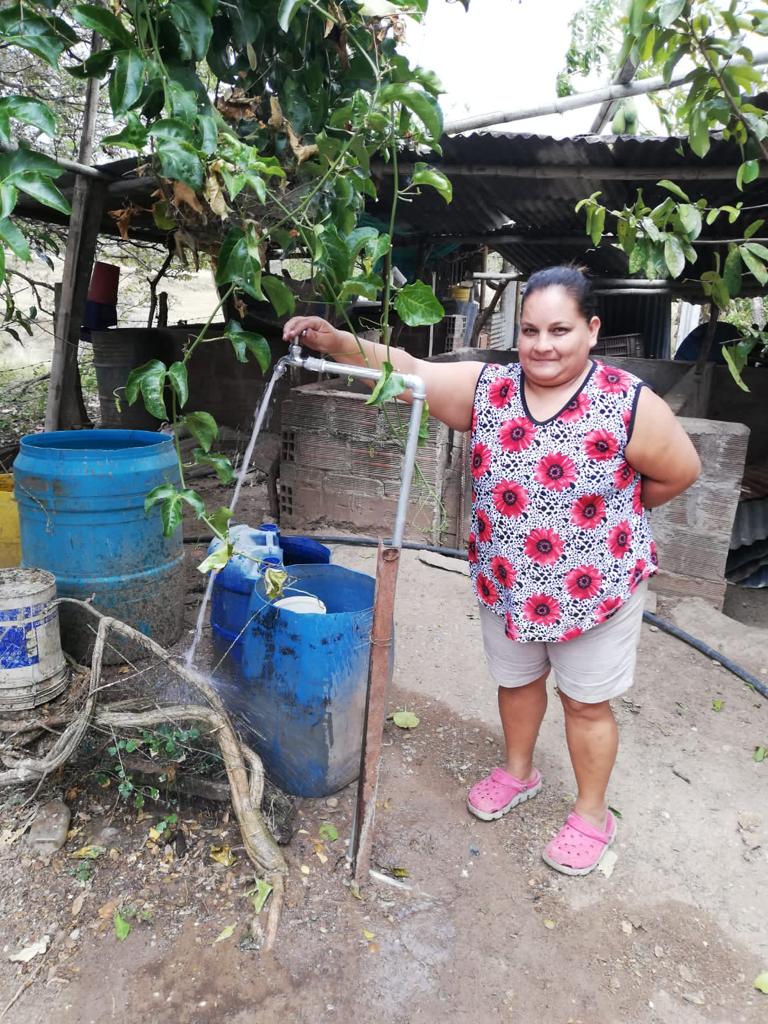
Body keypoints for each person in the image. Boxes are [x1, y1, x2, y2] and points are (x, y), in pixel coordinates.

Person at [283, 265, 701, 876]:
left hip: (595, 588)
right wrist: (338, 343)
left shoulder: (628, 402)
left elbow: (678, 472)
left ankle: (592, 814)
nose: (543, 344)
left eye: (560, 329)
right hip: (508, 582)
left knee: (585, 704)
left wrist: (602, 525)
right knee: (516, 682)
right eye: (531, 329)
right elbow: (412, 372)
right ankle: (517, 772)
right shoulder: (490, 389)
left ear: (592, 329)